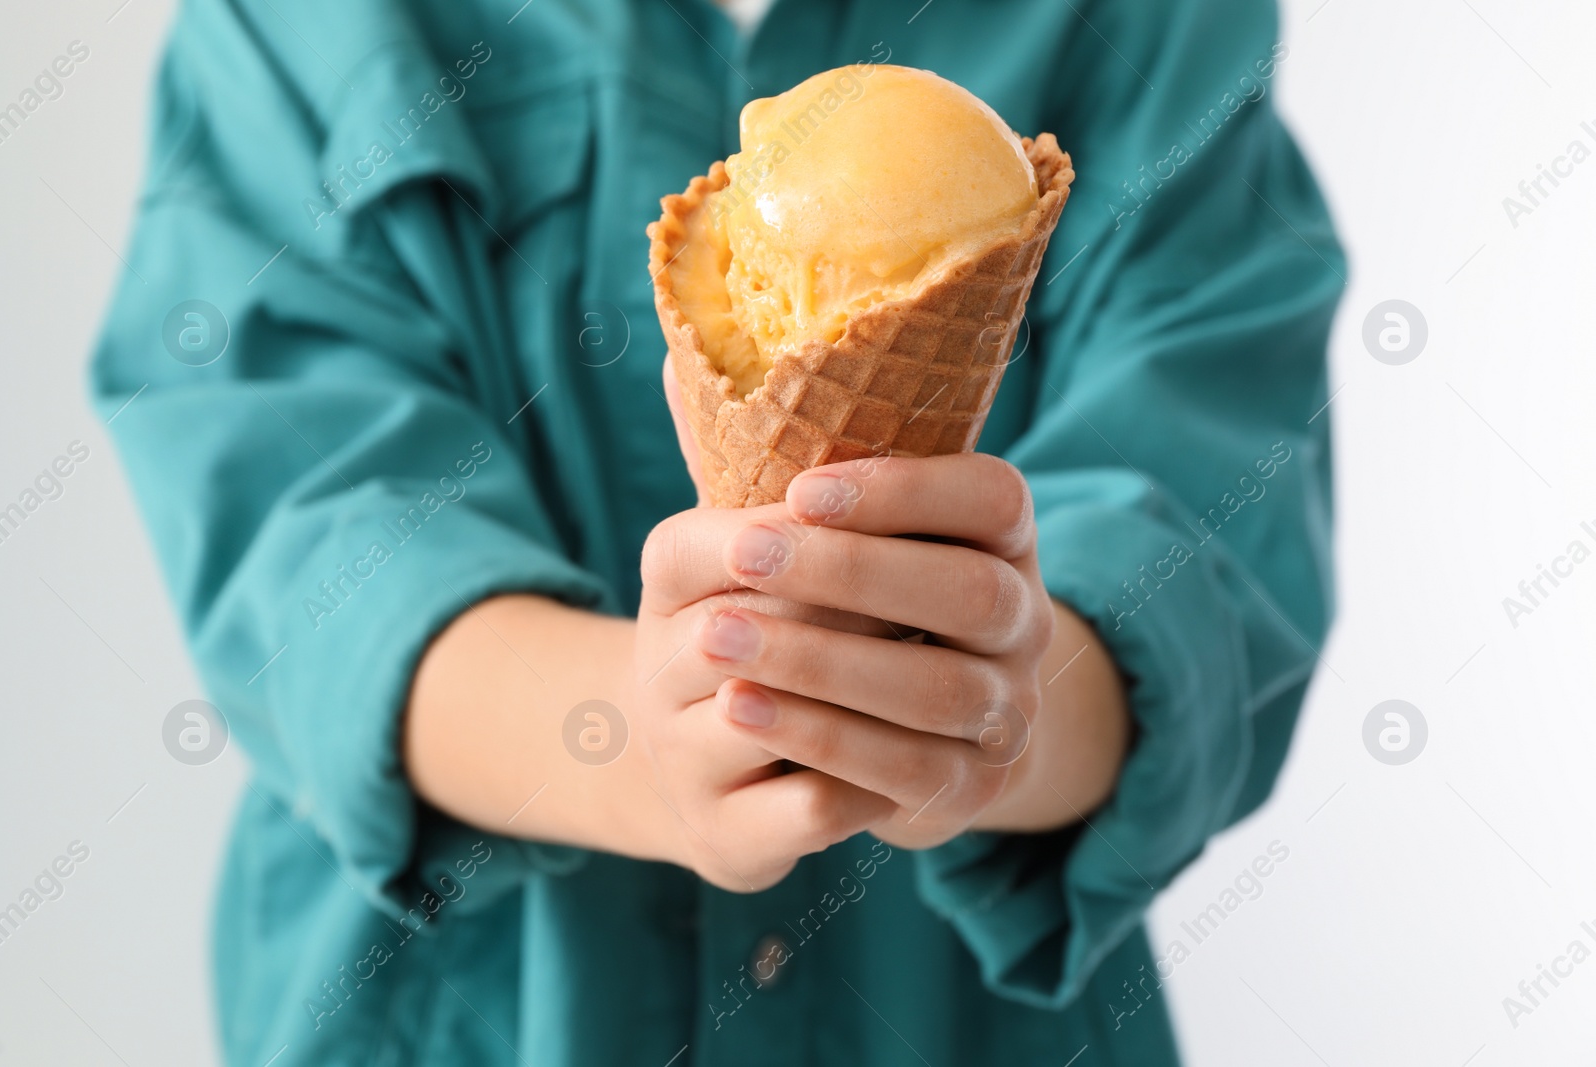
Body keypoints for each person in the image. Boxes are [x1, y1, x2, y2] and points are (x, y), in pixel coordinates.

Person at [92, 0, 1342, 1063]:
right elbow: (296, 538)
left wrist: (988, 709)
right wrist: (644, 737)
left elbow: (1212, 518)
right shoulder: (298, 25)